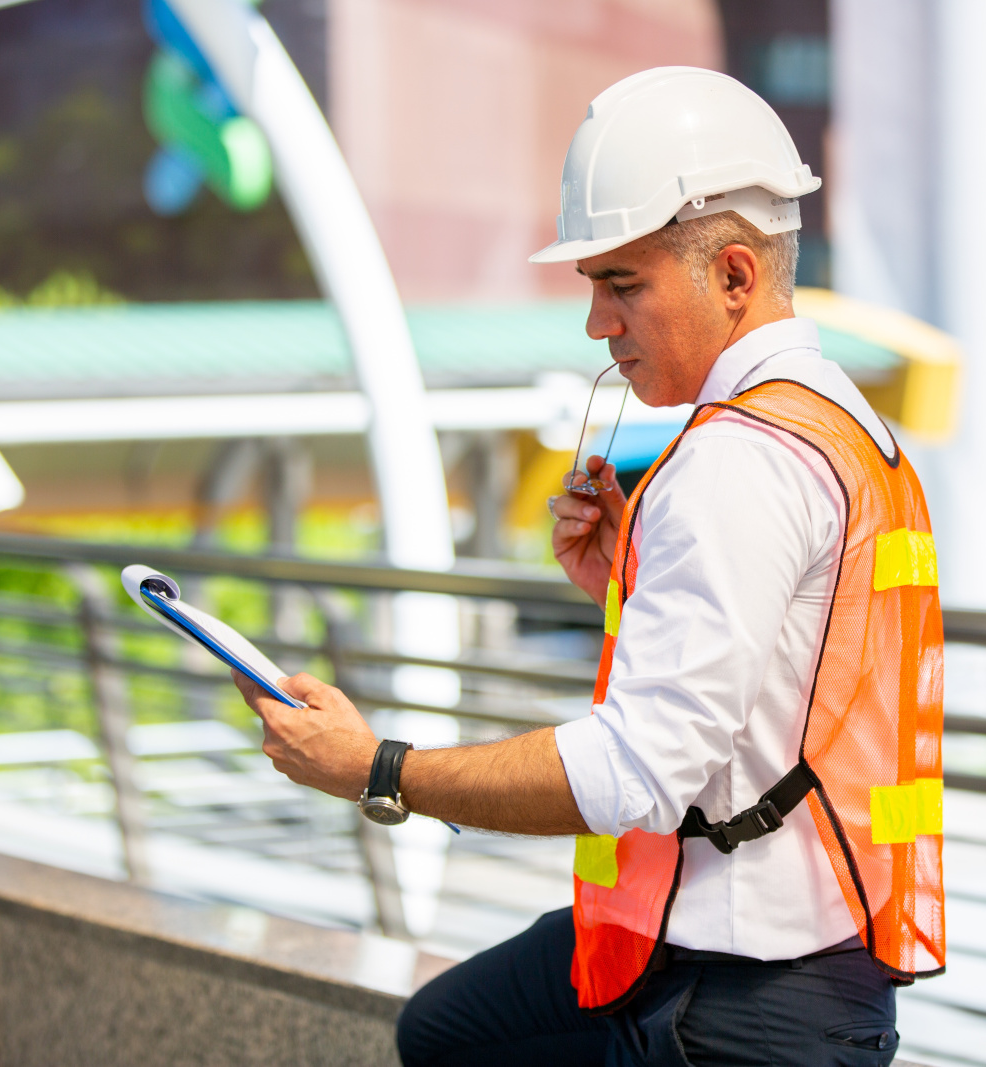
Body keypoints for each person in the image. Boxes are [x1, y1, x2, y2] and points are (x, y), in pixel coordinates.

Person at [232, 66, 944, 1067]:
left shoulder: (734, 461)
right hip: (783, 955)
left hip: (739, 1000)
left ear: (734, 275)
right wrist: (636, 575)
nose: (597, 324)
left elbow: (633, 771)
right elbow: (797, 652)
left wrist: (379, 768)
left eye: (624, 285)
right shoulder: (845, 425)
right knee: (445, 1029)